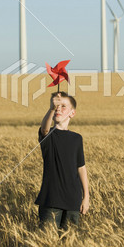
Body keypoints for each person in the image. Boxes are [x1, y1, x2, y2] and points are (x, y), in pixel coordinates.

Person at [34, 91, 89, 231]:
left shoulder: (77, 139)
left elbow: (81, 168)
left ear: (72, 113)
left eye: (63, 106)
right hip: (51, 199)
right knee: (47, 242)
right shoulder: (48, 136)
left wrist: (86, 196)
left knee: (70, 243)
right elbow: (44, 129)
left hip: (73, 200)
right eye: (56, 105)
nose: (58, 108)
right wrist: (51, 109)